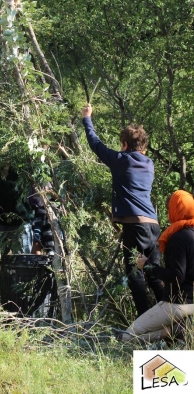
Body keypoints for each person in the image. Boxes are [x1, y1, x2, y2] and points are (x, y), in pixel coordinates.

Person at [81, 103, 163, 316]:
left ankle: (144, 322)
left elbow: (96, 144)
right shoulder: (149, 164)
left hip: (135, 227)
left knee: (134, 273)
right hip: (153, 226)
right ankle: (174, 321)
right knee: (154, 275)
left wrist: (87, 118)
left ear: (125, 144)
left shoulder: (121, 161)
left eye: (121, 144)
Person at [121, 190, 194, 343]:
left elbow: (176, 276)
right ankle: (181, 328)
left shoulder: (178, 238)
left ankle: (172, 332)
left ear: (176, 210)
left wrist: (147, 266)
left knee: (128, 336)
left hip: (177, 304)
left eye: (169, 210)